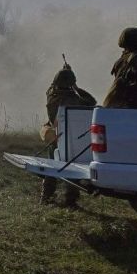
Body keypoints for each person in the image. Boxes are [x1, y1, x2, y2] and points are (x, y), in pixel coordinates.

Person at [41, 67, 96, 206]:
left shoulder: (51, 95)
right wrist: (76, 86)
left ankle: (46, 196)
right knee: (72, 168)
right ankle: (70, 199)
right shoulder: (74, 98)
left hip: (57, 136)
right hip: (71, 138)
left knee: (52, 166)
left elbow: (51, 87)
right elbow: (91, 101)